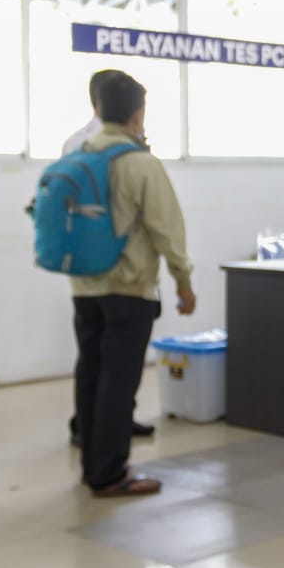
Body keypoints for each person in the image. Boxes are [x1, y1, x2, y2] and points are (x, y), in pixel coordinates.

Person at [70, 72, 196, 496]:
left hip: (84, 288)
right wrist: (184, 281)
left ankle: (92, 464)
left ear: (99, 109)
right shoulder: (141, 163)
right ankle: (109, 473)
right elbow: (166, 229)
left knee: (91, 373)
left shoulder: (77, 155)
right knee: (118, 381)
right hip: (129, 288)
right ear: (138, 114)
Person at [63, 67, 154, 446]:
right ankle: (104, 431)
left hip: (85, 269)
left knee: (93, 356)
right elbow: (146, 209)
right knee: (117, 363)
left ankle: (95, 425)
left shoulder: (74, 143)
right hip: (123, 270)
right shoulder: (124, 148)